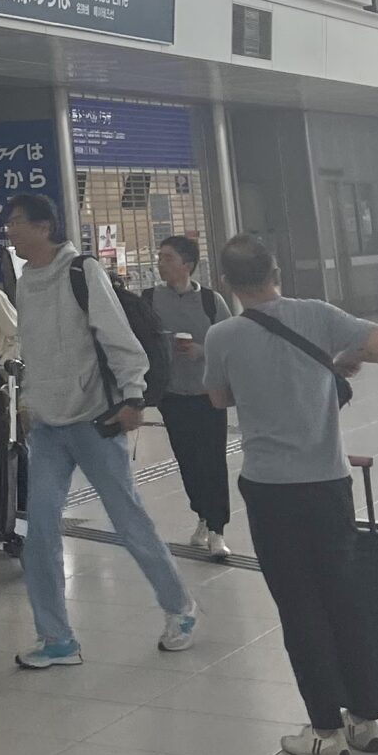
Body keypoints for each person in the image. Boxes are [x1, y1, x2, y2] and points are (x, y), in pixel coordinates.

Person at [206, 231, 378, 755]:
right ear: (277, 271)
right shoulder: (316, 314)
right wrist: (340, 358)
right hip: (329, 483)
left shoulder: (223, 335)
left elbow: (219, 397)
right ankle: (364, 719)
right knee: (343, 597)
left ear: (226, 282)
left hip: (271, 489)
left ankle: (323, 731)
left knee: (300, 609)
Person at [5, 192, 197, 670]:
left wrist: (133, 398)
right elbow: (35, 346)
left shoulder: (81, 271)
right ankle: (57, 638)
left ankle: (181, 609)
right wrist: (28, 401)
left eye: (15, 222)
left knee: (129, 522)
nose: (8, 231)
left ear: (45, 227)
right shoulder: (25, 279)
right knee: (40, 531)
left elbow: (120, 341)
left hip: (94, 422)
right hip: (49, 427)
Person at [151, 235, 232, 560]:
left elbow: (231, 344)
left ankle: (217, 529)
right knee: (187, 461)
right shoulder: (149, 300)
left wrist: (203, 350)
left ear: (187, 265)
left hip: (208, 393)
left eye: (168, 258)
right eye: (160, 257)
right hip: (172, 395)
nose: (161, 263)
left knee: (212, 460)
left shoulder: (213, 302)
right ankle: (201, 513)